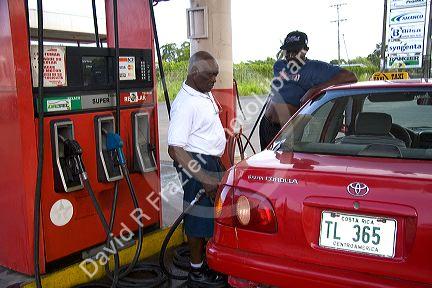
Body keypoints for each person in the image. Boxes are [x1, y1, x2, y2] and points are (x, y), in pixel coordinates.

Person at [167, 51, 226, 288]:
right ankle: (196, 271)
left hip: (209, 161)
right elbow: (175, 149)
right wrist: (203, 177)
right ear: (194, 73)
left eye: (216, 75)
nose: (214, 80)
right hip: (196, 164)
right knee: (196, 218)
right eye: (210, 75)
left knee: (212, 218)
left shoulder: (203, 92)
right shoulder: (185, 103)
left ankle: (210, 263)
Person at [259, 30, 358, 150]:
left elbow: (350, 76)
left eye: (295, 51)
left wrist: (316, 89)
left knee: (283, 166)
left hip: (286, 130)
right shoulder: (279, 65)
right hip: (266, 125)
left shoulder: (315, 68)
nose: (290, 55)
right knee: (265, 162)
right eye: (288, 51)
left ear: (305, 50)